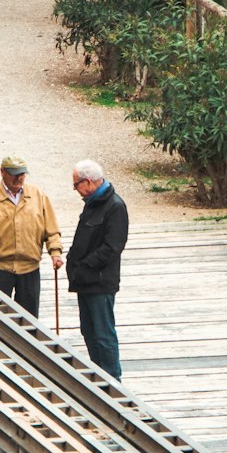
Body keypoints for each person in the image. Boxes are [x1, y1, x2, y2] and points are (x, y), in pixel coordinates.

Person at [0, 156, 63, 319]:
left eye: (22, 174)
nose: (18, 178)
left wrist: (56, 253)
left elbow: (51, 229)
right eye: (14, 174)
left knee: (29, 321)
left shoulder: (39, 196)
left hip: (30, 268)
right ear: (2, 172)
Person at [66, 158, 128, 381]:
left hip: (100, 282)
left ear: (89, 182)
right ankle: (99, 376)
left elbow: (113, 247)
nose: (76, 191)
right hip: (85, 280)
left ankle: (113, 380)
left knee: (103, 333)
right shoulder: (93, 202)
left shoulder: (115, 206)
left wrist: (84, 264)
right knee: (89, 331)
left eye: (77, 185)